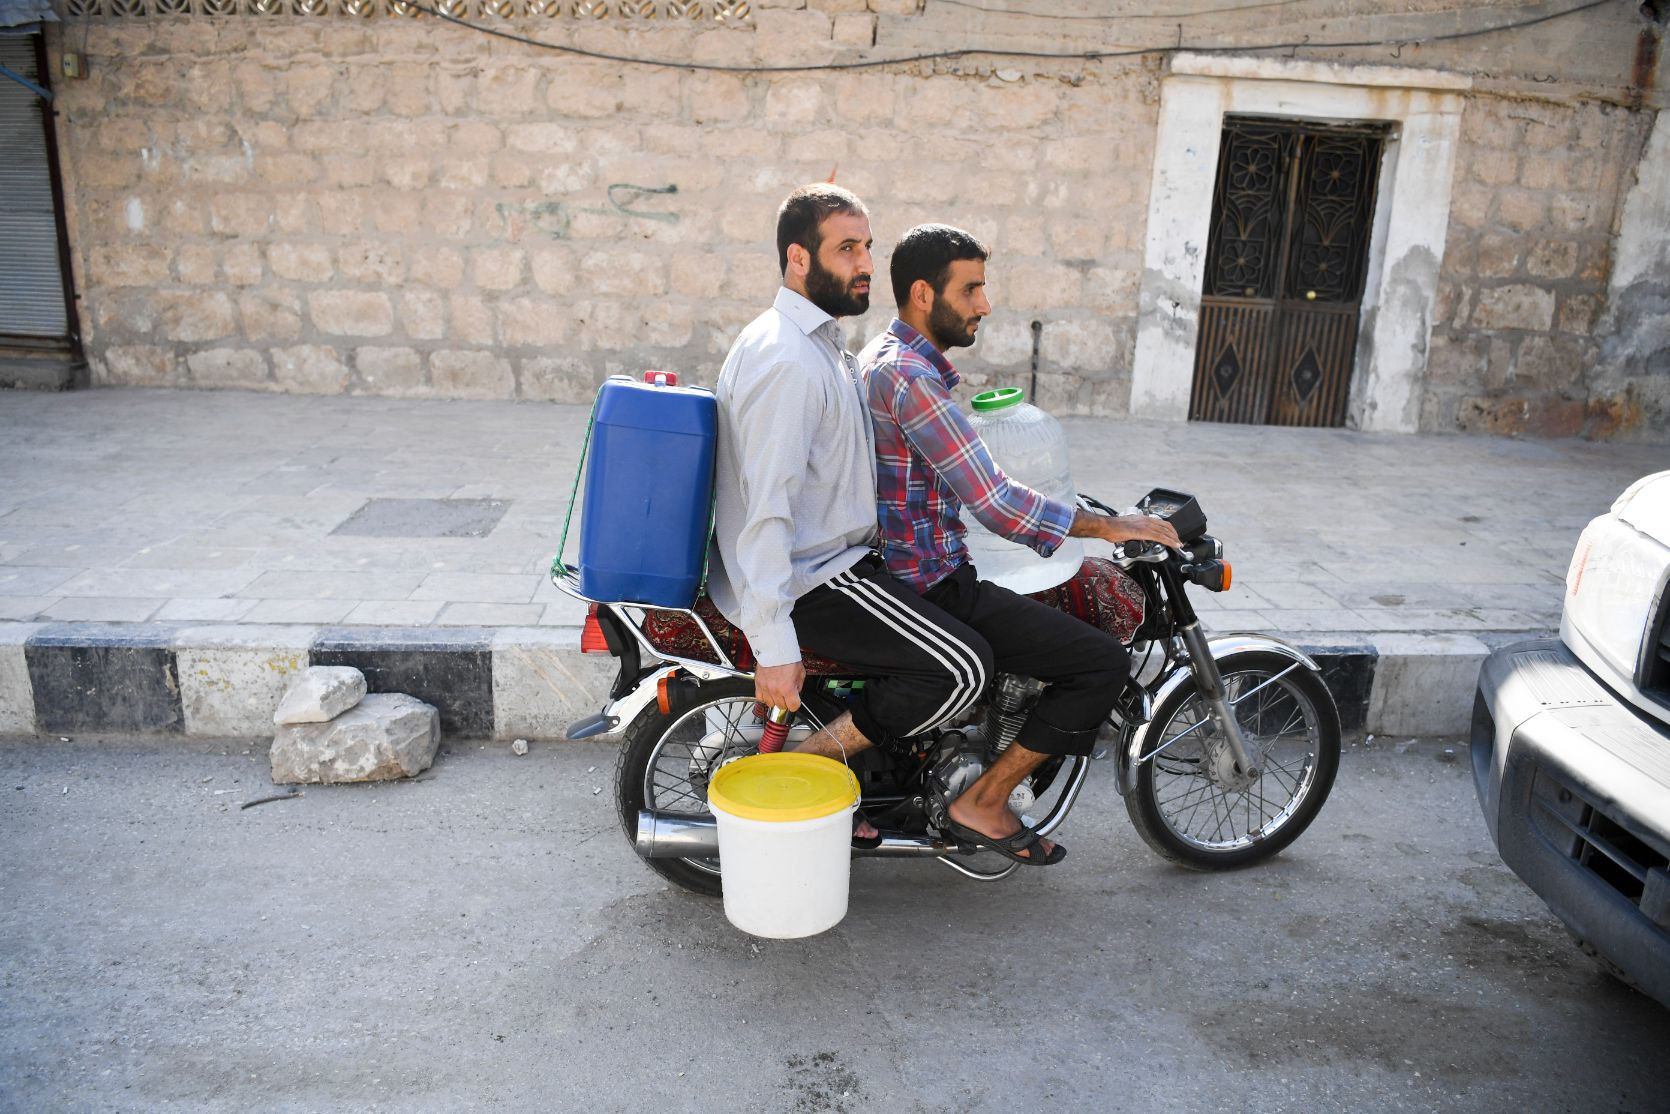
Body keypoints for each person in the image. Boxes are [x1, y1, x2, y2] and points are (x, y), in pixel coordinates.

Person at [855, 224, 1181, 864]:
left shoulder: (880, 358)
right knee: (1101, 664)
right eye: (971, 289)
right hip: (932, 585)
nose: (985, 304)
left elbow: (960, 484)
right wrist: (1108, 526)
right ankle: (982, 800)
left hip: (900, 571)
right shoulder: (913, 379)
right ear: (924, 294)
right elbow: (997, 502)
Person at [704, 186, 996, 846]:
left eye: (867, 246)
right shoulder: (788, 360)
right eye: (846, 248)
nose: (865, 263)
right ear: (798, 258)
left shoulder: (819, 344)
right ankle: (797, 772)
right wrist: (774, 645)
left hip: (835, 561)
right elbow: (767, 512)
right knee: (961, 666)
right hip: (814, 577)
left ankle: (873, 778)